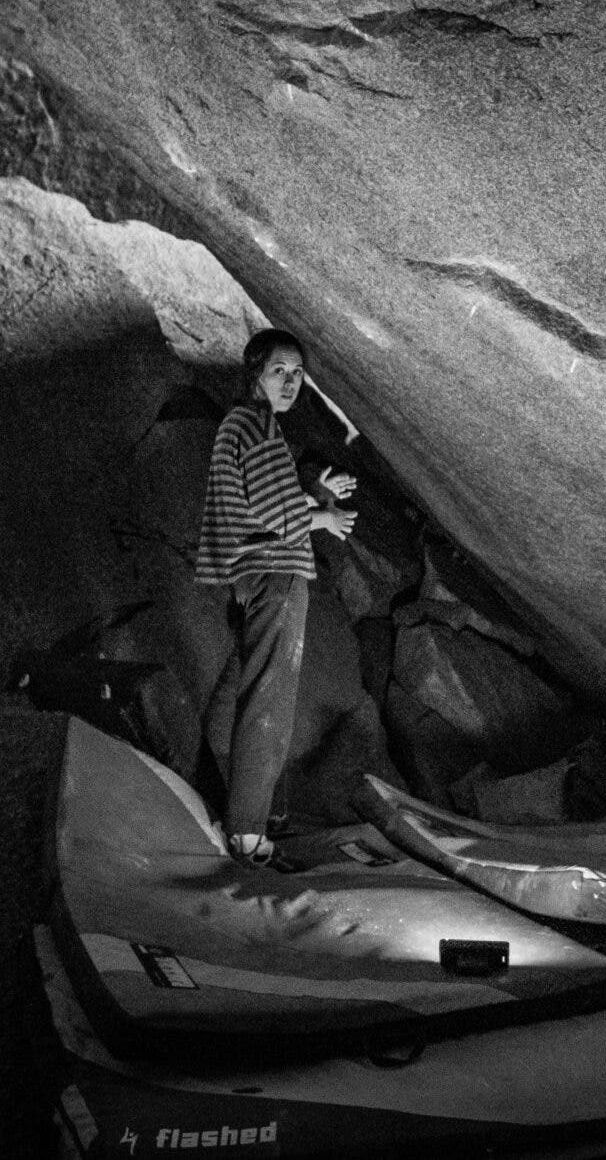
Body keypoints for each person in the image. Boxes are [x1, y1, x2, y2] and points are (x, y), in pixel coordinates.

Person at [195, 328, 357, 867]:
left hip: (247, 574)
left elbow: (264, 498)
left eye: (296, 373)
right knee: (270, 698)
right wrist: (324, 517)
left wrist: (314, 490)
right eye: (279, 371)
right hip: (276, 574)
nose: (290, 382)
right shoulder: (259, 424)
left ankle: (218, 793)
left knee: (238, 684)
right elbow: (275, 515)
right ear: (255, 374)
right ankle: (246, 831)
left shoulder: (239, 425)